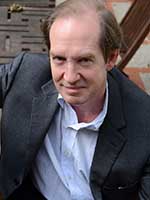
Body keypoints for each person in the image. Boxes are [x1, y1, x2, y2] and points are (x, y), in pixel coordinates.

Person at [0, 0, 150, 199]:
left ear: (111, 58)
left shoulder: (144, 122)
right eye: (59, 59)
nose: (69, 77)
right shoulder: (25, 73)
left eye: (84, 60)